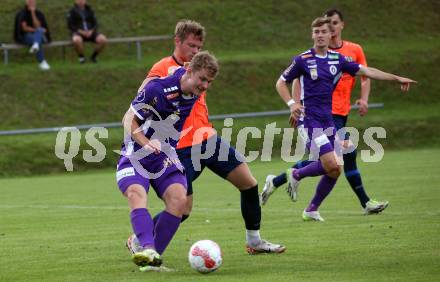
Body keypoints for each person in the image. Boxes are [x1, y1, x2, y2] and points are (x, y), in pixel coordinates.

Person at [127, 19, 285, 255]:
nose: (195, 51)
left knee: (249, 183)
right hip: (182, 147)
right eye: (191, 46)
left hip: (209, 139)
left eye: (199, 47)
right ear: (177, 41)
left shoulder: (200, 70)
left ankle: (254, 241)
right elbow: (141, 99)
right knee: (183, 207)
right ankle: (141, 239)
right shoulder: (163, 68)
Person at [261, 17, 416, 222]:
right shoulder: (303, 59)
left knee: (335, 169)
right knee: (330, 162)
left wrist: (397, 78)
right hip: (309, 119)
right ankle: (295, 175)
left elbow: (367, 71)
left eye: (323, 32)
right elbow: (281, 83)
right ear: (312, 35)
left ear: (330, 34)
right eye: (316, 32)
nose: (320, 35)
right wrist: (293, 104)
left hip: (328, 119)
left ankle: (310, 208)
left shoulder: (338, 59)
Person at [117, 51, 219, 268]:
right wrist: (146, 142)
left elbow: (180, 70)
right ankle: (146, 246)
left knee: (180, 200)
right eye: (202, 79)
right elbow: (128, 119)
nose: (205, 86)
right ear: (191, 72)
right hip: (136, 153)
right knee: (137, 194)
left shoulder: (191, 87)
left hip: (164, 156)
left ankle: (152, 259)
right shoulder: (158, 89)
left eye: (209, 82)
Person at [14, 0, 51, 70]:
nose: (31, 2)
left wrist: (33, 13)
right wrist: (37, 30)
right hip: (26, 37)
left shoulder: (39, 14)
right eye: (30, 1)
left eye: (33, 1)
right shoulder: (22, 14)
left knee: (38, 35)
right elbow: (24, 28)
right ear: (26, 2)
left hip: (40, 36)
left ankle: (36, 45)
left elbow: (38, 26)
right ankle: (42, 61)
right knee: (36, 35)